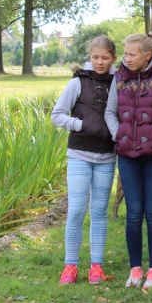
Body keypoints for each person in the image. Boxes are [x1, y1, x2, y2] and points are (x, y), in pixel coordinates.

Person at [105, 33, 152, 289]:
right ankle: (135, 269)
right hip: (127, 155)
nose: (127, 58)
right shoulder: (119, 78)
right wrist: (119, 134)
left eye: (132, 54)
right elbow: (110, 112)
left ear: (147, 55)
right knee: (133, 213)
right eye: (126, 53)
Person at [51, 36, 118, 285]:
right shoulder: (78, 82)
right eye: (95, 57)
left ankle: (96, 266)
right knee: (77, 209)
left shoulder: (118, 82)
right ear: (89, 57)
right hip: (79, 154)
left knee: (99, 211)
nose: (99, 62)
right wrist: (81, 125)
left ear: (113, 58)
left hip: (107, 156)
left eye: (105, 58)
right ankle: (70, 265)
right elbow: (57, 115)